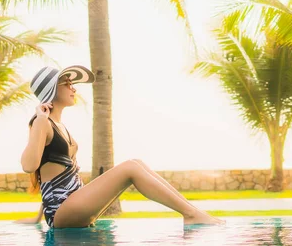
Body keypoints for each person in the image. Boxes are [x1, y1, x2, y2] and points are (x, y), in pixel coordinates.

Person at [15, 65, 224, 228]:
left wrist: (37, 217)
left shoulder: (59, 125)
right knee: (130, 168)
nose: (74, 88)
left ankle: (193, 212)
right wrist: (41, 120)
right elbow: (29, 165)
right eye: (67, 84)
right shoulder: (42, 122)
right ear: (52, 90)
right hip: (63, 210)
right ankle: (191, 215)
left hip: (70, 205)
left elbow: (55, 177)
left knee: (136, 163)